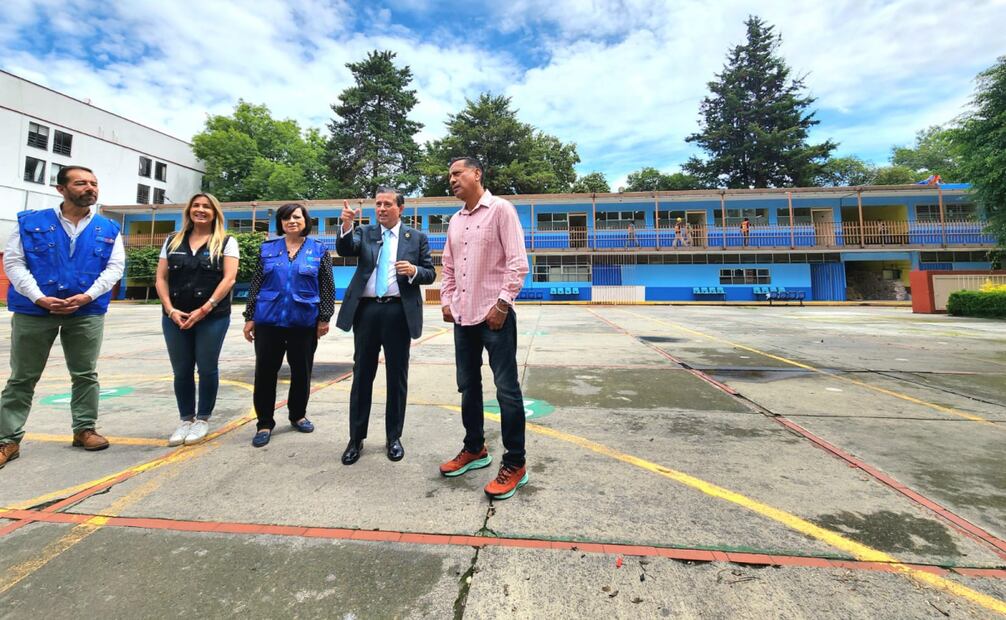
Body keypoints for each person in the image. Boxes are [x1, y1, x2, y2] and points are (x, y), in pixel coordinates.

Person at [0, 166, 124, 468]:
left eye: (94, 183)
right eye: (81, 183)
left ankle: (84, 429)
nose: (90, 188)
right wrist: (39, 297)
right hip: (35, 310)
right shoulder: (30, 222)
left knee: (85, 374)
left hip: (86, 311)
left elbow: (114, 268)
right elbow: (14, 263)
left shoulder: (108, 228)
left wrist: (88, 296)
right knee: (22, 377)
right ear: (61, 189)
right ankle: (8, 440)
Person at [438, 156, 530, 501]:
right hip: (463, 318)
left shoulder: (501, 210)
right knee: (468, 386)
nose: (451, 180)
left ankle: (515, 462)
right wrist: (447, 301)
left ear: (477, 174)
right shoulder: (455, 221)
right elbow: (447, 267)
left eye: (457, 173)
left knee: (506, 389)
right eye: (449, 176)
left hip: (495, 317)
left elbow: (518, 264)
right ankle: (474, 448)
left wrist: (502, 304)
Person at [335, 189, 435, 465]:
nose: (381, 208)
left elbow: (430, 272)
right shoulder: (365, 233)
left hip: (398, 313)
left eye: (387, 204)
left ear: (400, 208)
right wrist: (346, 225)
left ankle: (393, 437)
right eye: (378, 204)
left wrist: (413, 271)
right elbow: (346, 248)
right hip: (366, 311)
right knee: (362, 375)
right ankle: (356, 439)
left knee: (397, 377)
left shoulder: (416, 238)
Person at [242, 203, 334, 447]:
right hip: (268, 322)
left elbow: (327, 287)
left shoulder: (319, 250)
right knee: (265, 373)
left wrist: (324, 318)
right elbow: (256, 285)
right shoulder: (267, 249)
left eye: (296, 216)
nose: (291, 221)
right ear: (280, 223)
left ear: (305, 221)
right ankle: (264, 422)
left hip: (303, 322)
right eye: (286, 218)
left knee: (301, 372)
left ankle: (298, 415)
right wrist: (250, 317)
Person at [154, 193, 238, 446]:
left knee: (207, 367)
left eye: (206, 206)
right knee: (181, 370)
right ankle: (185, 419)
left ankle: (202, 418)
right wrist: (170, 310)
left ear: (215, 212)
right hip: (175, 316)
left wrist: (205, 308)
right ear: (189, 210)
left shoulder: (226, 241)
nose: (200, 210)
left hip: (212, 317)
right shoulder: (172, 240)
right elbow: (161, 278)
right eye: (196, 206)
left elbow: (229, 278)